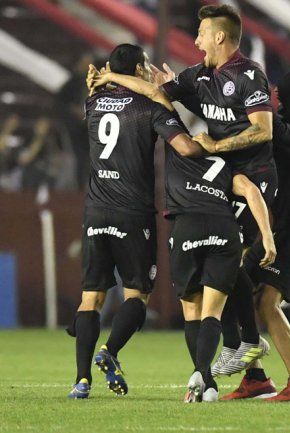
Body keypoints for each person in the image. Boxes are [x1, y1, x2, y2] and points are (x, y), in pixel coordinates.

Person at [86, 45, 275, 403]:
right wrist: (268, 237)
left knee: (192, 310)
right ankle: (240, 346)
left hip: (185, 228)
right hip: (224, 229)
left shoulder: (178, 146)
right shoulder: (221, 162)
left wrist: (108, 78)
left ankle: (206, 380)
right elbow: (251, 191)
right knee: (214, 308)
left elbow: (160, 102)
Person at [67, 44, 191, 399]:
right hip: (132, 212)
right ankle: (111, 351)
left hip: (95, 211)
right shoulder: (148, 106)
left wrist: (101, 81)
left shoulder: (92, 103)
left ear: (109, 69)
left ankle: (81, 380)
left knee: (90, 298)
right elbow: (178, 137)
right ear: (138, 70)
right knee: (138, 295)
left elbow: (98, 96)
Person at [219, 67, 290, 402]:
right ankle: (255, 378)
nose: (277, 103)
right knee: (232, 282)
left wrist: (231, 97)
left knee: (267, 301)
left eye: (282, 96)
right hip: (287, 228)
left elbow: (270, 129)